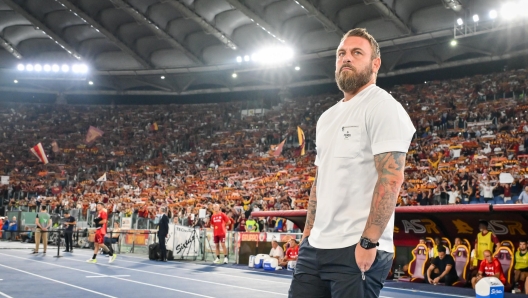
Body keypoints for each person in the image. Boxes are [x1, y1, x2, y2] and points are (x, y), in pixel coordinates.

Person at [289, 28, 415, 298]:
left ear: (375, 63)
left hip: (356, 246)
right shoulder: (326, 118)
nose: (346, 58)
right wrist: (308, 234)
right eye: (341, 53)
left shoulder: (383, 107)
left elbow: (391, 177)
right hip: (316, 247)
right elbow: (321, 182)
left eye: (357, 53)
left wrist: (369, 240)